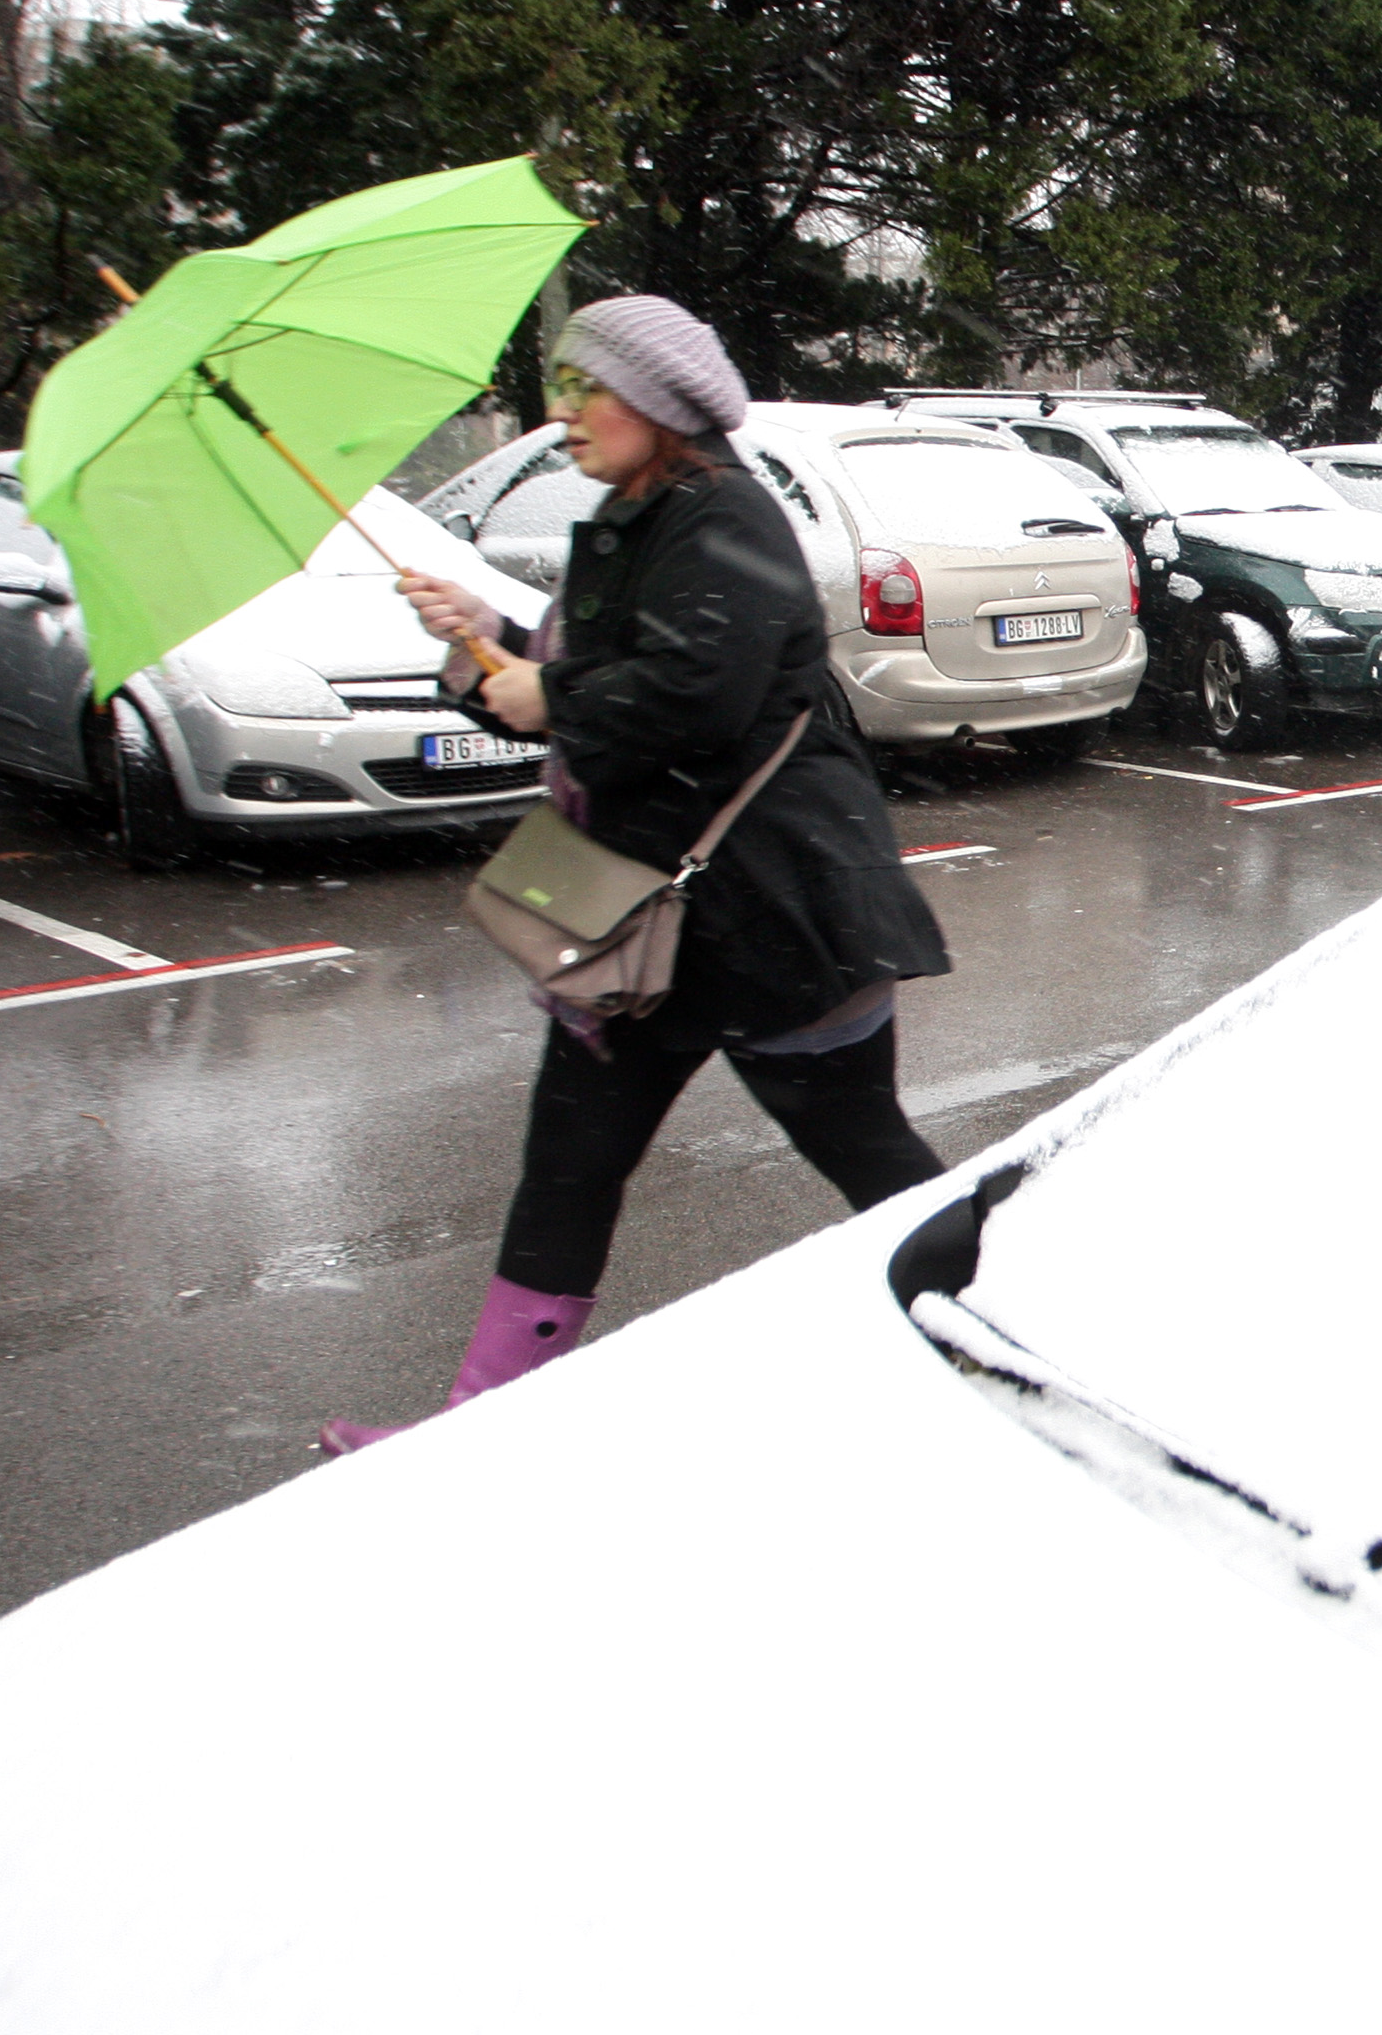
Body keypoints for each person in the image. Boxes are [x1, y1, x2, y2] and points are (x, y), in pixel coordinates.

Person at [321, 297, 953, 1453]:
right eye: (559, 386)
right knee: (567, 1165)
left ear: (660, 405)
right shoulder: (631, 518)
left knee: (868, 1154)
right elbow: (604, 682)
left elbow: (695, 698)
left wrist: (546, 691)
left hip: (775, 920)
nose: (562, 412)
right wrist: (484, 647)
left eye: (586, 387)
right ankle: (478, 1432)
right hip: (641, 927)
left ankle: (997, 1334)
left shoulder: (725, 520)